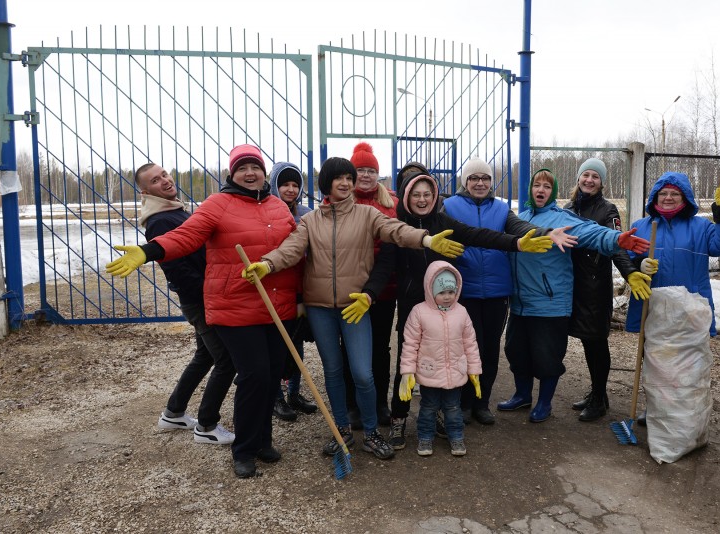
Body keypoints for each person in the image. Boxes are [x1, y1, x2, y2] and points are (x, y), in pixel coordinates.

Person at [244, 157, 465, 460]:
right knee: (334, 371)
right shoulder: (311, 221)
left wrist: (425, 239)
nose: (346, 183)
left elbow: (396, 229)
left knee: (363, 373)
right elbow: (292, 249)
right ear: (328, 183)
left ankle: (371, 432)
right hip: (320, 308)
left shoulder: (367, 214)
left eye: (349, 178)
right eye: (340, 178)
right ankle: (342, 431)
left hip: (355, 307)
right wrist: (267, 264)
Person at [107, 144, 301, 479]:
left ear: (264, 171)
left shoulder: (277, 206)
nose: (250, 173)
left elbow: (294, 247)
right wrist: (149, 251)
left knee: (271, 377)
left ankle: (262, 441)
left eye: (255, 166)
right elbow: (185, 236)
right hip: (234, 305)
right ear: (232, 174)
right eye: (243, 168)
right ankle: (244, 449)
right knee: (254, 375)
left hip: (276, 305)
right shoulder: (218, 204)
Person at [368, 162, 576, 449]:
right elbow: (383, 267)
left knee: (442, 359)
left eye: (428, 194)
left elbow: (481, 235)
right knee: (408, 362)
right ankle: (400, 417)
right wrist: (369, 294)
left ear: (434, 196)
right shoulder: (398, 228)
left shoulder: (444, 223)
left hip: (445, 307)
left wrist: (517, 244)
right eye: (416, 194)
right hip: (412, 306)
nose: (422, 199)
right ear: (406, 196)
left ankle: (437, 414)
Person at [505, 169, 650, 423]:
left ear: (554, 192)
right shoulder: (521, 217)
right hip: (520, 303)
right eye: (536, 185)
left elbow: (593, 233)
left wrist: (617, 239)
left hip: (549, 302)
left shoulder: (563, 218)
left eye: (547, 187)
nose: (541, 190)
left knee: (547, 357)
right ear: (529, 189)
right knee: (517, 353)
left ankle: (544, 403)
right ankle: (522, 395)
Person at [442, 158, 561, 425]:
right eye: (474, 178)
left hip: (496, 293)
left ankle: (482, 403)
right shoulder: (449, 206)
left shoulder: (501, 208)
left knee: (489, 350)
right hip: (463, 289)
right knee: (465, 348)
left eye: (485, 178)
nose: (480, 183)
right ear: (465, 181)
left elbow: (520, 228)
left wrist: (545, 232)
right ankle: (463, 403)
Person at [625, 172, 720, 425]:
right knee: (655, 361)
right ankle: (654, 407)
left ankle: (683, 411)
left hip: (689, 309)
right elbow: (625, 260)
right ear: (655, 196)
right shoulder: (641, 226)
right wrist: (637, 264)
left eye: (674, 194)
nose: (668, 198)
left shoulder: (700, 227)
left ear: (684, 198)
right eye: (663, 193)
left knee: (688, 364)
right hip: (653, 308)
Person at [137, 163, 236, 444]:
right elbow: (177, 270)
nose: (165, 181)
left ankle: (174, 412)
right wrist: (209, 291)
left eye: (165, 175)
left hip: (204, 297)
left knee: (205, 355)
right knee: (226, 360)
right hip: (201, 300)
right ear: (146, 191)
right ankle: (206, 426)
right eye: (155, 181)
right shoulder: (159, 221)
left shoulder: (174, 211)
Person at [561, 158, 653, 422]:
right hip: (573, 285)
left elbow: (617, 245)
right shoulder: (568, 208)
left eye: (595, 177)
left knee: (596, 343)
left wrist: (631, 273)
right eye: (585, 175)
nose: (589, 180)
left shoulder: (608, 210)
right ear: (578, 178)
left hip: (594, 287)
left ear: (602, 182)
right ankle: (596, 394)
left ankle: (599, 398)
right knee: (587, 343)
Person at [399, 261, 482, 457]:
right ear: (430, 289)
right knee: (428, 407)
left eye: (451, 292)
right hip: (430, 371)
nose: (447, 297)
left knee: (453, 408)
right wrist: (407, 372)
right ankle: (425, 437)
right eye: (442, 292)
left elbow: (470, 343)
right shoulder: (419, 312)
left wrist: (474, 370)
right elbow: (410, 344)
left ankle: (456, 436)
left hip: (455, 372)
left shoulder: (461, 312)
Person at [342, 142, 398, 428]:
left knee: (379, 348)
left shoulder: (391, 202)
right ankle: (352, 405)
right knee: (349, 349)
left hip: (384, 290)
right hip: (349, 290)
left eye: (370, 170)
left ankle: (379, 404)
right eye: (359, 170)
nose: (365, 175)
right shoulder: (338, 199)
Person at [268, 162, 318, 421]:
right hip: (275, 288)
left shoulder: (307, 214)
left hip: (301, 288)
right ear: (274, 184)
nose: (290, 189)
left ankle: (294, 393)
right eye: (284, 184)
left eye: (295, 184)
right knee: (276, 346)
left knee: (296, 343)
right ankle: (275, 398)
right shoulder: (266, 212)